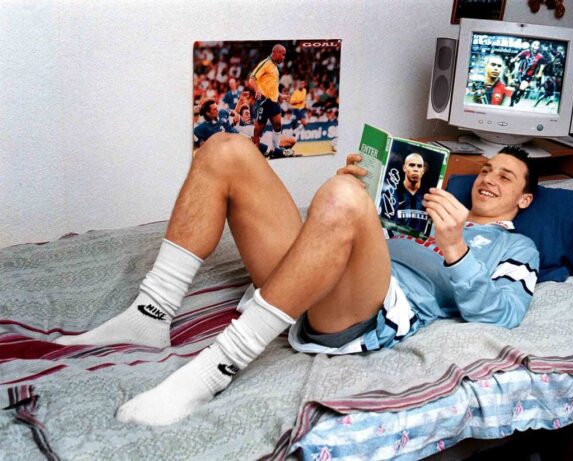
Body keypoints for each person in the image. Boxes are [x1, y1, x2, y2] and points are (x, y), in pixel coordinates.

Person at [54, 135, 539, 426]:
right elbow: (351, 226)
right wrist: (358, 195)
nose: (489, 178)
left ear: (524, 200)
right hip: (314, 271)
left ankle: (211, 372)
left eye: (506, 177)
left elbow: (503, 314)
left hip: (367, 304)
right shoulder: (423, 208)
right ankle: (150, 313)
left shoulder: (515, 248)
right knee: (225, 149)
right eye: (487, 169)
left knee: (343, 196)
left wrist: (455, 247)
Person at [247, 44, 290, 152]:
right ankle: (255, 154)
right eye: (283, 55)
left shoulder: (275, 67)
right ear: (277, 52)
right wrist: (257, 90)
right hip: (264, 101)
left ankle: (276, 150)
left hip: (274, 102)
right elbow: (252, 79)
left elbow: (271, 86)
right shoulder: (265, 63)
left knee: (278, 125)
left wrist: (280, 95)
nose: (284, 57)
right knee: (258, 132)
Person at [389, 153, 431, 236]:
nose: (416, 169)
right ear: (404, 168)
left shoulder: (429, 196)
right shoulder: (392, 194)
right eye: (412, 165)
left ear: (423, 170)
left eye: (419, 166)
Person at [509, 40, 547, 106]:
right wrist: (513, 60)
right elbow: (518, 57)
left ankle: (519, 95)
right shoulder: (525, 52)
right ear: (531, 45)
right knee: (516, 89)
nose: (536, 47)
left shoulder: (540, 56)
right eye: (534, 45)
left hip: (529, 75)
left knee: (522, 87)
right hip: (520, 73)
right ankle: (511, 103)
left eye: (538, 46)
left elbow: (543, 64)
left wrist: (539, 73)